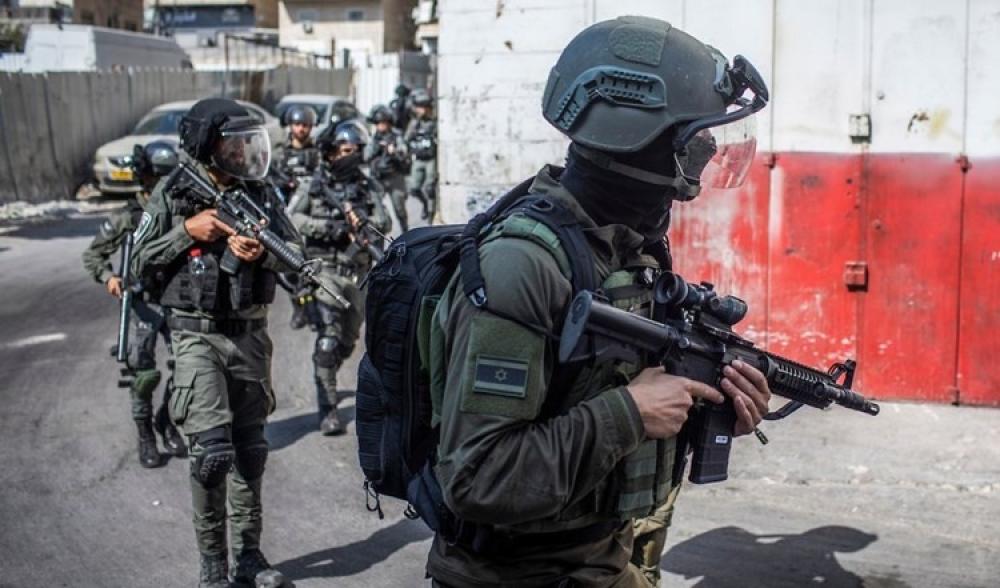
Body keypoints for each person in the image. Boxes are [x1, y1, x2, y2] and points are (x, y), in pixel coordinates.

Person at [424, 16, 772, 587]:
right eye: (693, 143)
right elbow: (478, 478)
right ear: (640, 142)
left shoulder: (626, 246)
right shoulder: (522, 265)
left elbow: (606, 396)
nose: (703, 161)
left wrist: (707, 404)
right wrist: (629, 414)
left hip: (598, 559)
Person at [131, 98, 297, 588]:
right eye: (234, 144)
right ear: (208, 145)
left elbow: (295, 253)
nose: (244, 152)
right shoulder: (172, 192)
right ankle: (212, 567)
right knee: (210, 455)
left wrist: (261, 252)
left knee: (251, 451)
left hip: (250, 335)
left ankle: (249, 557)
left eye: (248, 142)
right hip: (196, 336)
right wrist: (188, 230)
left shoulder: (260, 193)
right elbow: (138, 259)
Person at [81, 140, 186, 468]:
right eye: (159, 178)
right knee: (144, 374)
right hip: (142, 303)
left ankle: (166, 420)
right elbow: (93, 254)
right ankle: (145, 434)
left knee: (188, 368)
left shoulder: (182, 210)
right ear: (146, 178)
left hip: (177, 300)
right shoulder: (130, 216)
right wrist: (109, 277)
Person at [291, 120, 389, 435]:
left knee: (348, 341)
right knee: (327, 339)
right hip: (326, 271)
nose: (353, 156)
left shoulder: (367, 185)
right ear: (331, 152)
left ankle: (328, 368)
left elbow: (384, 220)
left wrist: (363, 222)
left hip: (357, 275)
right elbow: (293, 218)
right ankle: (329, 408)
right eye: (347, 151)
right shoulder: (315, 185)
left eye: (357, 151)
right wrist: (328, 228)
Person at [365, 104, 411, 231]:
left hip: (394, 176)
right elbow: (366, 156)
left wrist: (394, 151)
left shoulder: (396, 136)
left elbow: (404, 152)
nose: (381, 126)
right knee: (376, 210)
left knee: (399, 209)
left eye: (383, 123)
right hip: (377, 177)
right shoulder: (373, 138)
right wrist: (376, 147)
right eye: (378, 123)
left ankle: (406, 232)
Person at [270, 104, 321, 211]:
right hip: (283, 198)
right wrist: (284, 182)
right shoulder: (280, 151)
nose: (301, 129)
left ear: (311, 127)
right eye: (297, 124)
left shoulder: (318, 152)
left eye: (305, 125)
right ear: (290, 125)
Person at [403, 88, 437, 221]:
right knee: (414, 188)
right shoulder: (415, 123)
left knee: (430, 188)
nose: (418, 110)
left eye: (421, 107)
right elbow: (407, 139)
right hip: (418, 158)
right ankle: (425, 204)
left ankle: (431, 213)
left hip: (430, 159)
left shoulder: (434, 122)